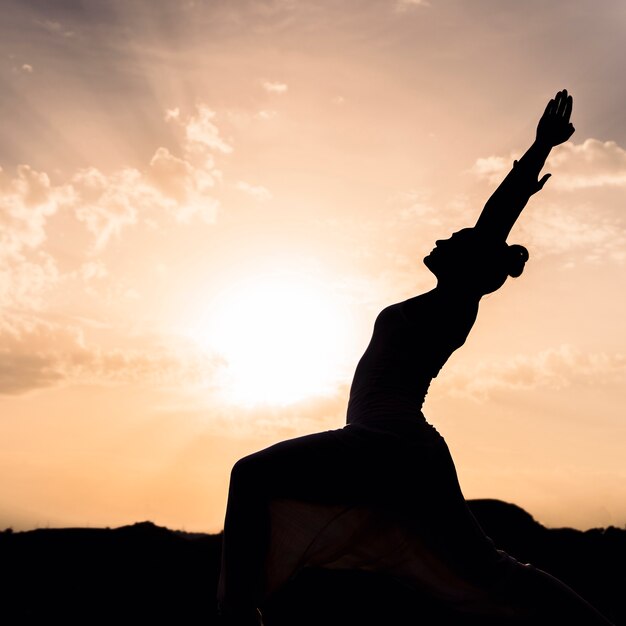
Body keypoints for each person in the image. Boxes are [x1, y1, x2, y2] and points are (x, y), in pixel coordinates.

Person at [216, 90, 615, 625]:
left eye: (453, 238)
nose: (440, 237)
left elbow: (493, 221)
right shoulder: (438, 303)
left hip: (390, 442)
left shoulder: (454, 305)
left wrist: (539, 149)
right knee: (490, 570)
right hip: (398, 449)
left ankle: (239, 615)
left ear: (469, 266)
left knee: (251, 475)